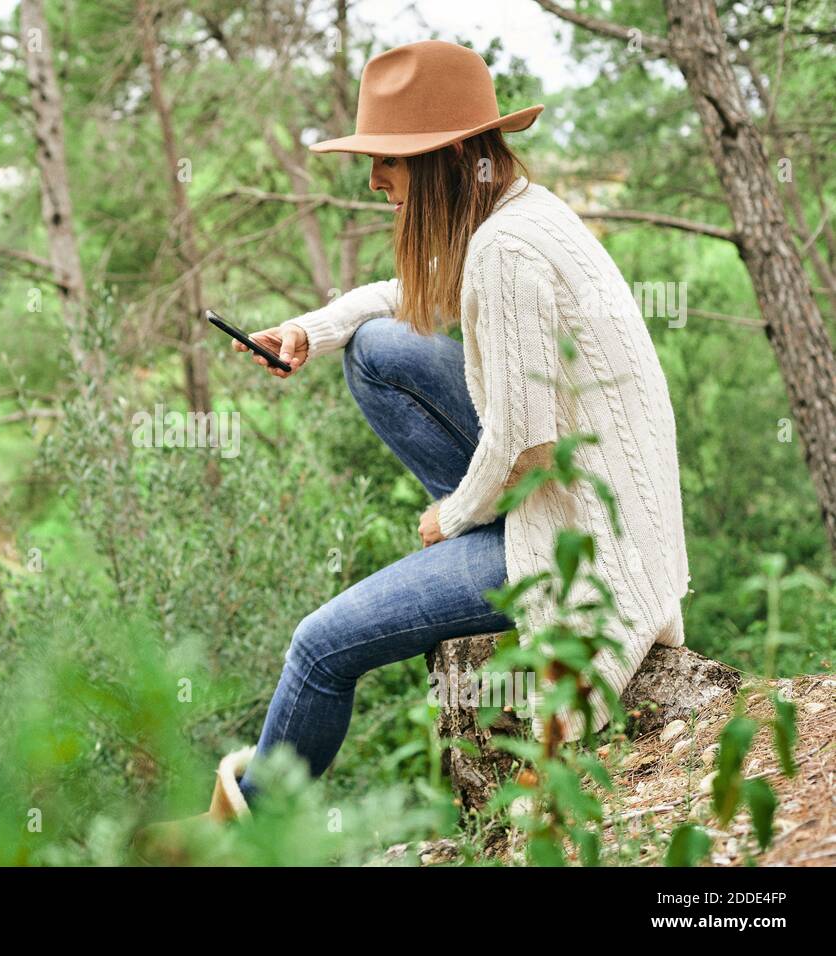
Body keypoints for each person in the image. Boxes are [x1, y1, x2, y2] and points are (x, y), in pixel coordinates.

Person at [137, 39, 689, 850]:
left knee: (320, 647)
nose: (374, 182)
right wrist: (308, 332)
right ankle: (487, 537)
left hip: (576, 535)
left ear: (452, 154)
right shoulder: (516, 211)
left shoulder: (507, 252)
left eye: (389, 160)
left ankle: (240, 833)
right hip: (572, 493)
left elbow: (525, 449)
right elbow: (402, 297)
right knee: (374, 348)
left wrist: (454, 518)